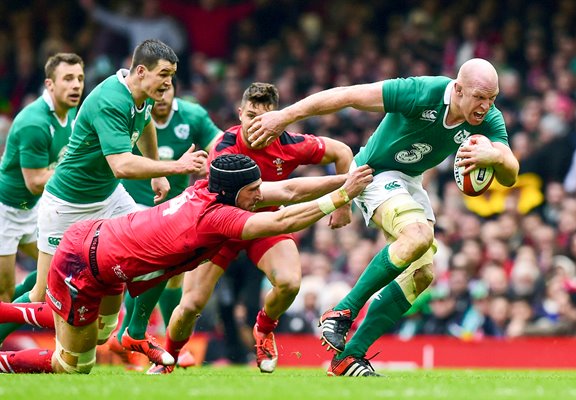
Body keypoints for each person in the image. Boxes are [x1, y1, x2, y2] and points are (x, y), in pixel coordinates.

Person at [247, 58, 520, 376]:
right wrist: (284, 116)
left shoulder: (488, 119)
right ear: (458, 89)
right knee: (418, 236)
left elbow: (511, 173)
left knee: (422, 275)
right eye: (479, 97)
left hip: (409, 180)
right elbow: (348, 95)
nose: (486, 106)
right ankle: (341, 312)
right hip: (372, 172)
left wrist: (495, 156)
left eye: (492, 99)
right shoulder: (420, 93)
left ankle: (349, 356)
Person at [0, 154, 373, 374]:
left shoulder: (208, 189)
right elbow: (281, 220)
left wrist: (347, 179)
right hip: (85, 265)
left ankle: (72, 318)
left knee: (99, 331)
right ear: (232, 193)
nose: (260, 195)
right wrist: (341, 195)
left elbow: (288, 191)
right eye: (253, 191)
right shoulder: (216, 218)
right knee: (74, 365)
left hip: (101, 244)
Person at [0, 39, 207, 345]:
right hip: (67, 205)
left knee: (162, 246)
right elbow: (121, 165)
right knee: (41, 295)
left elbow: (145, 122)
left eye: (171, 76)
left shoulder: (144, 91)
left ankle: (130, 332)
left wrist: (158, 172)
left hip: (110, 198)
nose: (168, 83)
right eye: (164, 74)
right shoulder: (111, 100)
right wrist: (176, 166)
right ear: (140, 71)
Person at [151, 82, 353, 374]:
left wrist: (345, 206)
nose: (257, 125)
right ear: (239, 114)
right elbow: (271, 194)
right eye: (250, 116)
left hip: (265, 225)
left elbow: (342, 152)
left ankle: (264, 329)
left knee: (290, 283)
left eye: (265, 118)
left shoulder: (290, 144)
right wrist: (322, 195)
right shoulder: (224, 149)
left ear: (278, 118)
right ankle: (167, 358)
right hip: (222, 226)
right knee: (191, 304)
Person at [109, 81, 222, 370]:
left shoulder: (192, 116)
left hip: (174, 208)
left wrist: (220, 163)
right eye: (157, 92)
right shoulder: (132, 113)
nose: (161, 97)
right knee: (151, 268)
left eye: (167, 90)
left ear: (174, 91)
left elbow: (219, 145)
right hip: (135, 203)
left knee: (173, 277)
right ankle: (130, 333)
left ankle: (169, 343)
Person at [0, 53, 84, 305]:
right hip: (6, 213)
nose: (76, 85)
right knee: (3, 294)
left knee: (58, 271)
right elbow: (35, 181)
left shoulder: (72, 114)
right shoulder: (34, 122)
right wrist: (75, 170)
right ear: (50, 84)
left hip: (32, 209)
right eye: (68, 78)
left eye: (80, 78)